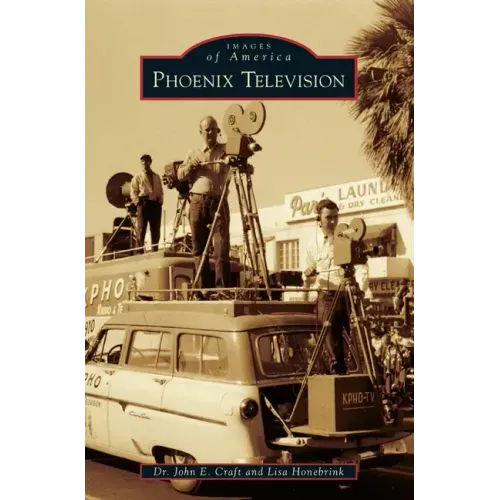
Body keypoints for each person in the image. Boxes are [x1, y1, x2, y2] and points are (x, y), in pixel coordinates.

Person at [302, 199, 369, 375]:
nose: (333, 221)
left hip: (348, 295)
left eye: (335, 217)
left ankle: (366, 378)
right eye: (328, 217)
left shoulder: (348, 237)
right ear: (319, 219)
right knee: (332, 341)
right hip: (326, 296)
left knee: (359, 340)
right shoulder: (312, 244)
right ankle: (338, 376)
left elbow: (361, 266)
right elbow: (307, 275)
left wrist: (360, 289)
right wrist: (309, 274)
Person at [177, 116, 231, 299]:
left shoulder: (225, 149)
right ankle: (202, 289)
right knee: (199, 247)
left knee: (221, 246)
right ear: (200, 132)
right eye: (206, 130)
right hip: (198, 202)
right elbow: (180, 175)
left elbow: (241, 152)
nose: (210, 133)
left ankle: (222, 289)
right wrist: (190, 167)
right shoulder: (193, 153)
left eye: (213, 129)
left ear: (217, 131)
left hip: (219, 201)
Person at [130, 154, 164, 253]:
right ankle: (139, 252)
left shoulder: (156, 176)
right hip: (144, 203)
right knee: (141, 229)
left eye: (147, 161)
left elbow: (161, 190)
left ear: (150, 162)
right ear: (141, 163)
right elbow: (133, 192)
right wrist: (138, 202)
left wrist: (160, 202)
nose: (145, 163)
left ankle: (155, 250)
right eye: (143, 161)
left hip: (155, 204)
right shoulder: (137, 177)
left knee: (156, 230)